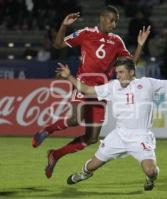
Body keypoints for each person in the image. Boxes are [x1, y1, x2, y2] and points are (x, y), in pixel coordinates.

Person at [32, 5, 151, 178]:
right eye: (112, 20)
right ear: (103, 18)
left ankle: (55, 155)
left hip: (101, 90)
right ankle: (46, 131)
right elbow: (58, 44)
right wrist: (64, 26)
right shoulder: (85, 33)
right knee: (75, 119)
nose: (114, 24)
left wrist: (140, 45)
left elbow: (130, 64)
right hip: (83, 82)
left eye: (116, 22)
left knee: (92, 138)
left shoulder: (117, 41)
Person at [55, 42, 167, 191]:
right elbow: (87, 90)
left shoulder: (147, 83)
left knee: (151, 170)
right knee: (92, 166)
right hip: (119, 136)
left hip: (140, 137)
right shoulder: (113, 86)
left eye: (121, 72)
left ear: (132, 72)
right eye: (117, 72)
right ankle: (83, 174)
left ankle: (150, 179)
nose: (118, 75)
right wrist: (69, 76)